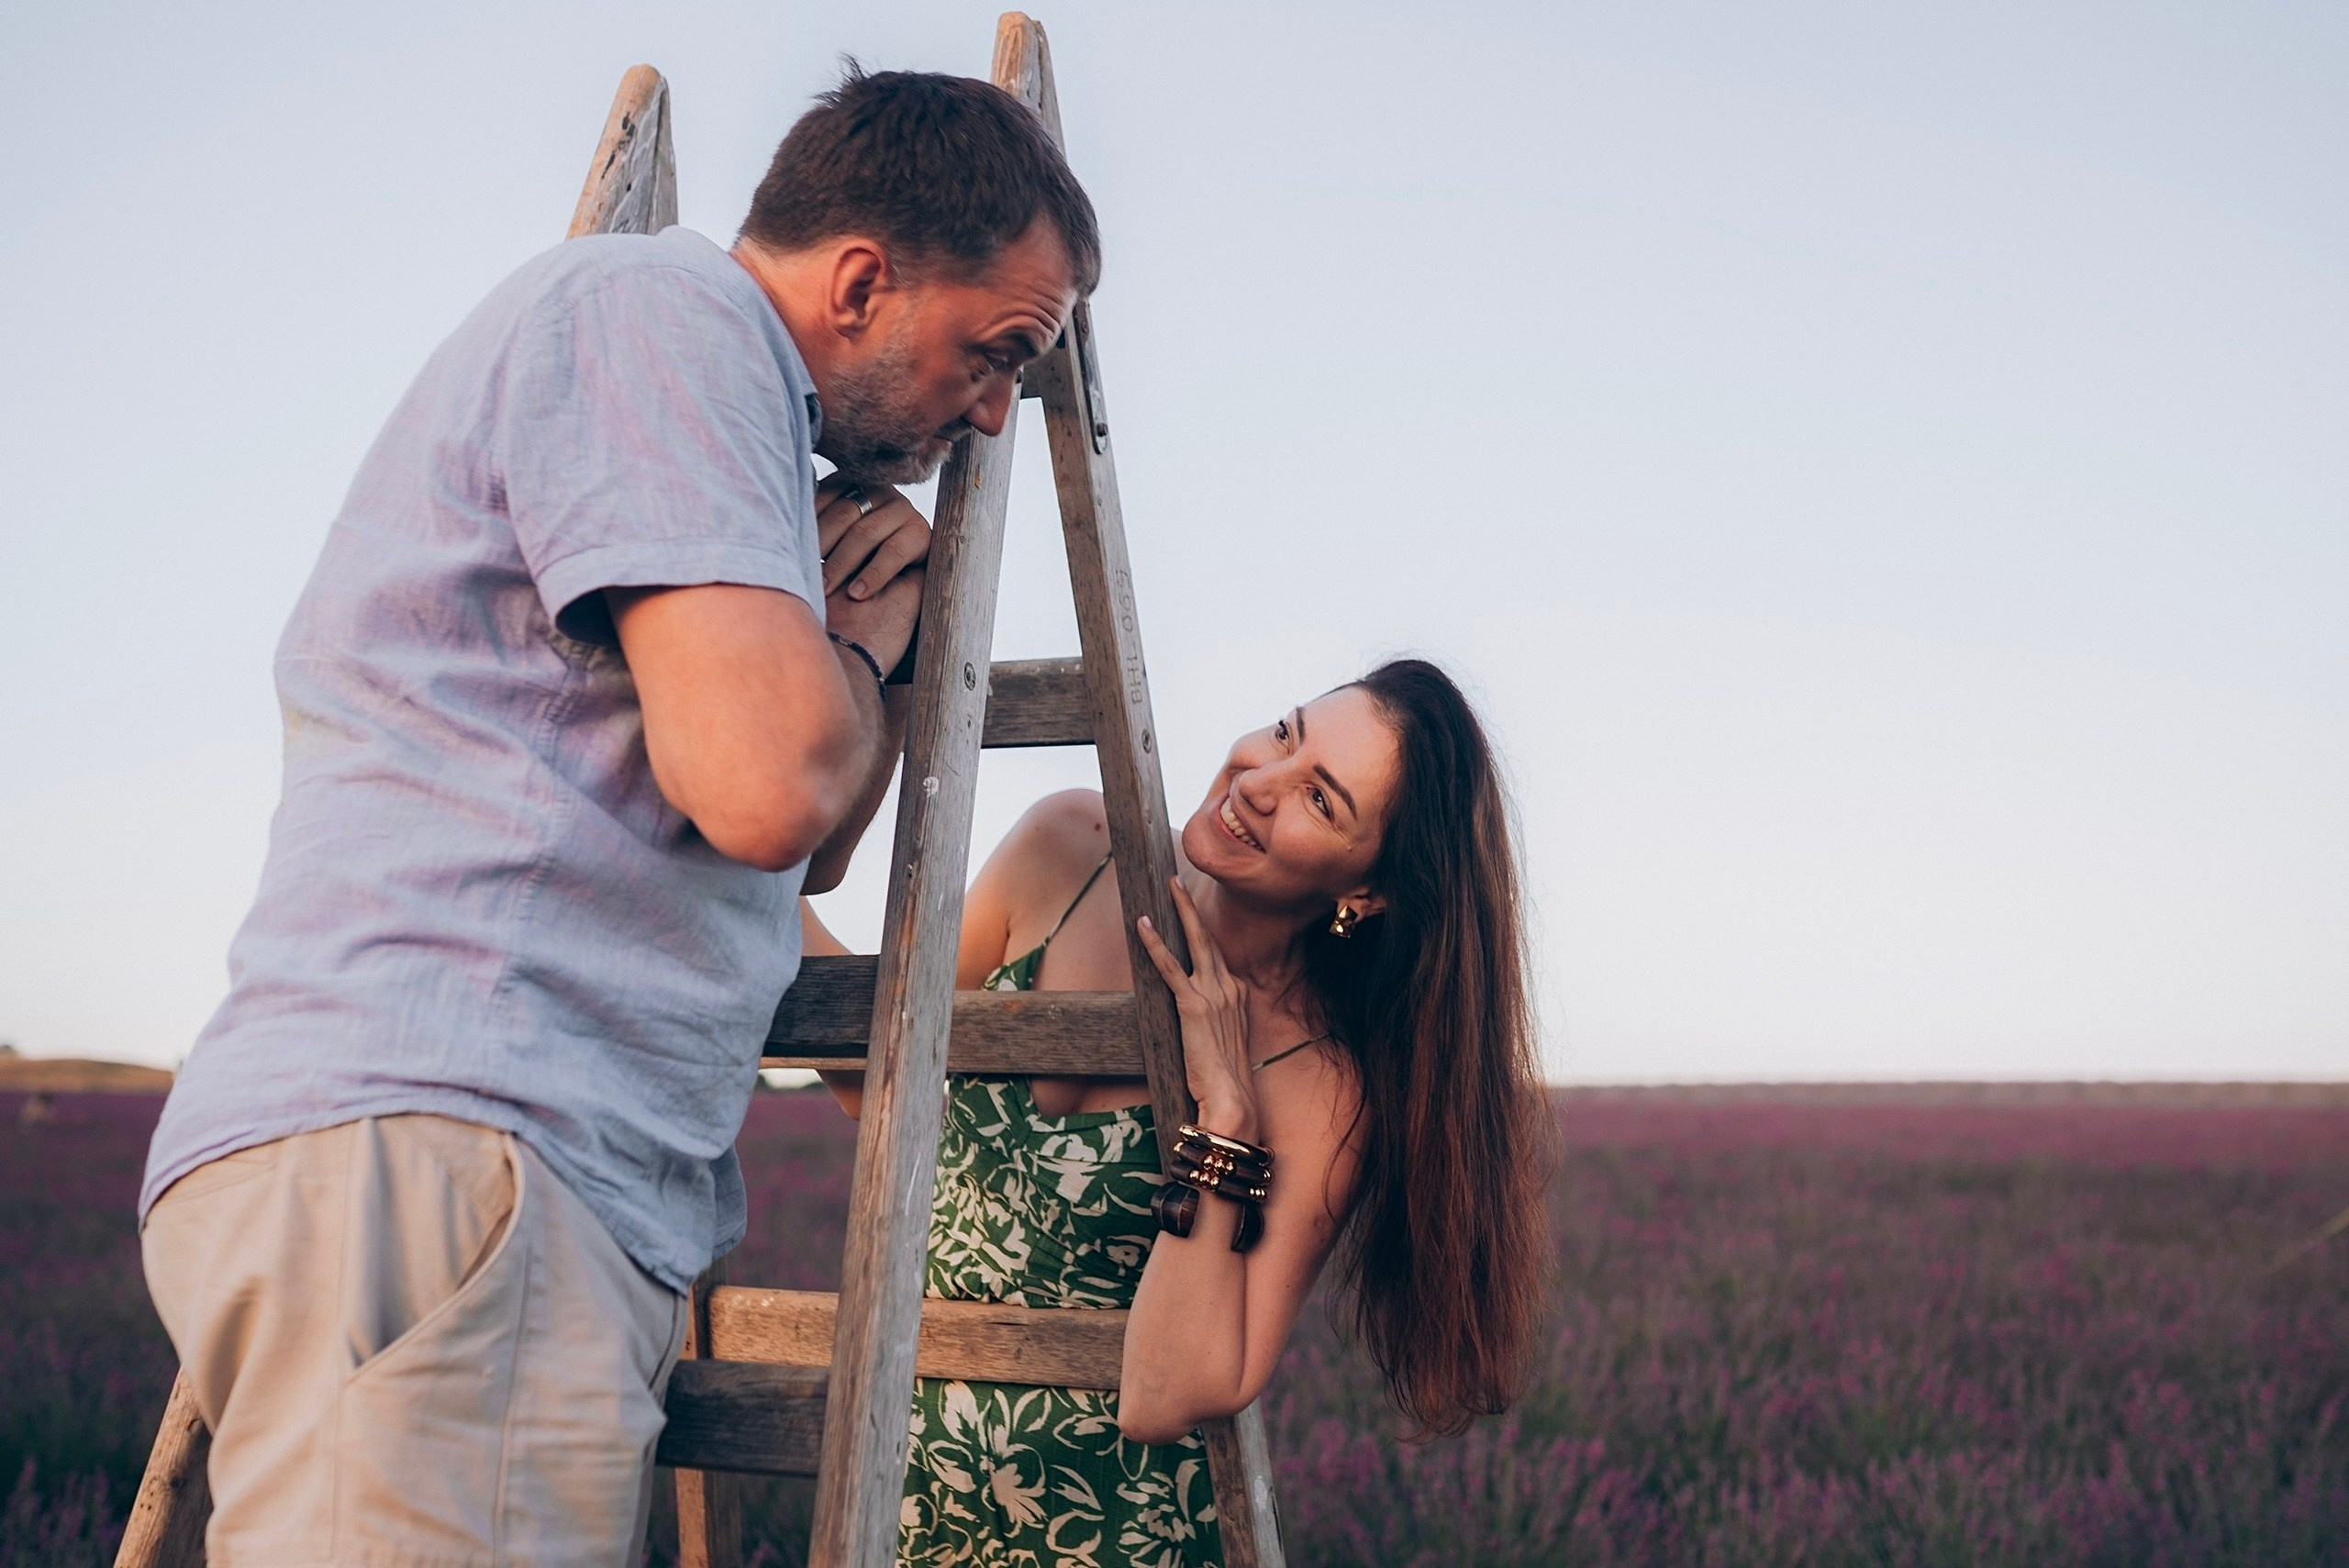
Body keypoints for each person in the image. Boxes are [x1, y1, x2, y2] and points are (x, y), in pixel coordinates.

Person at [136, 68, 1099, 1566]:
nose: (990, 413)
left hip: (477, 1165)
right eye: (996, 353)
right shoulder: (669, 320)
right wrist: (857, 653)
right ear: (860, 282)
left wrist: (841, 666)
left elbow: (801, 843)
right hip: (472, 1148)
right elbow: (773, 785)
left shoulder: (730, 419)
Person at [811, 659, 1553, 1566]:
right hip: (907, 1484)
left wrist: (1226, 1114)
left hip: (1113, 1528)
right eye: (1285, 733)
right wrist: (731, 870)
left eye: (1320, 799)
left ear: (1364, 893)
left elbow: (1164, 1395)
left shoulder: (1319, 1083)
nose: (1260, 780)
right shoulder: (1067, 847)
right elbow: (877, 1079)